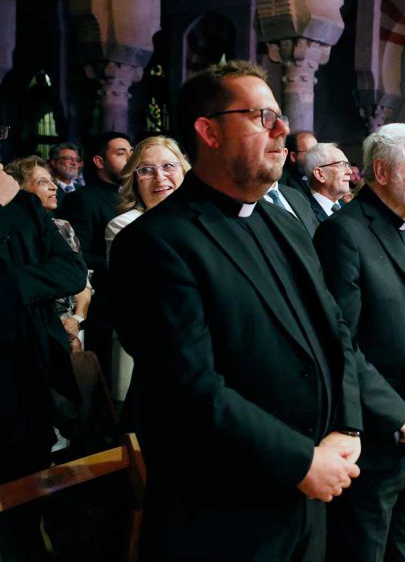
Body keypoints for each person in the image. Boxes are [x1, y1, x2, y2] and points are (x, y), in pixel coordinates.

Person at [108, 61, 363, 560]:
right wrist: (302, 460)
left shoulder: (283, 225)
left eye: (279, 115)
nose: (282, 129)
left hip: (307, 499)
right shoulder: (154, 242)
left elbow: (336, 332)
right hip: (221, 517)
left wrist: (347, 426)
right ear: (209, 131)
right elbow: (190, 389)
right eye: (261, 116)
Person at [313, 123, 405, 562]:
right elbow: (341, 342)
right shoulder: (345, 233)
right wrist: (397, 413)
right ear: (382, 171)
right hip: (378, 431)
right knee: (367, 548)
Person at [0, 161, 87, 558]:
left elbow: (70, 271)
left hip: (29, 367)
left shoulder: (24, 207)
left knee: (28, 482)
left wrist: (11, 285)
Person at [104, 136, 191, 405]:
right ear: (134, 180)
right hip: (151, 352)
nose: (160, 177)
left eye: (168, 166)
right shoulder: (124, 227)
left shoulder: (205, 218)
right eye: (146, 170)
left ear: (184, 171)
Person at [58, 131, 133, 381]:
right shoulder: (83, 199)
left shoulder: (133, 196)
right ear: (99, 161)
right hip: (103, 307)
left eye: (132, 151)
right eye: (121, 152)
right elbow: (78, 255)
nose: (130, 157)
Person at [6, 156, 92, 356]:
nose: (54, 187)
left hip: (72, 325)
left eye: (52, 180)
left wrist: (77, 320)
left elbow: (82, 278)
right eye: (42, 182)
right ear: (16, 188)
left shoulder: (63, 227)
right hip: (35, 326)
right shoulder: (13, 231)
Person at [303, 143, 353, 223]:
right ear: (319, 174)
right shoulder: (303, 213)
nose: (350, 171)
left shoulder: (349, 208)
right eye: (341, 164)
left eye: (348, 165)